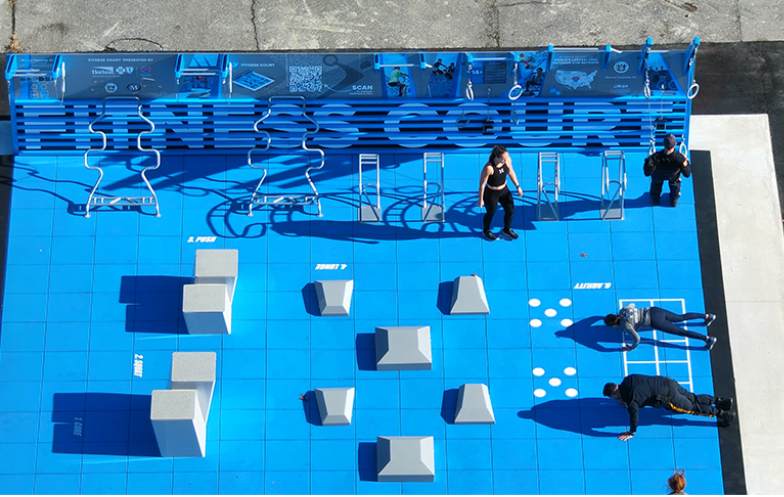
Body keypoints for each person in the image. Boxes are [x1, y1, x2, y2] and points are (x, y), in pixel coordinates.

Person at [603, 374, 735, 441]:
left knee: (692, 408)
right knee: (692, 397)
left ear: (615, 394)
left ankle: (721, 413)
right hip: (668, 382)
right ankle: (721, 401)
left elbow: (634, 417)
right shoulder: (629, 379)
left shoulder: (631, 400)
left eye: (613, 398)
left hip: (669, 397)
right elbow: (641, 389)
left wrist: (631, 432)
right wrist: (625, 399)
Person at [604, 303, 717, 351]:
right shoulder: (623, 310)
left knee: (681, 332)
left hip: (654, 321)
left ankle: (708, 339)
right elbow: (632, 305)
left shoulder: (626, 326)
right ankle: (707, 316)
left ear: (614, 324)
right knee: (680, 317)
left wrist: (631, 347)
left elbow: (637, 339)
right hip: (654, 310)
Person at [478, 145, 523, 241]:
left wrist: (518, 186)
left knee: (510, 211)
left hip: (504, 191)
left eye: (506, 158)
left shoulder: (507, 160)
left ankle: (506, 229)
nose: (505, 160)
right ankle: (486, 230)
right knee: (491, 212)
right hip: (491, 193)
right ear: (496, 157)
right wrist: (480, 199)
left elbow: (511, 172)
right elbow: (482, 184)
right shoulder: (489, 168)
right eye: (503, 159)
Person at [644, 133, 691, 207]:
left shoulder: (655, 157)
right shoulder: (680, 158)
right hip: (673, 176)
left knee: (656, 184)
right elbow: (687, 174)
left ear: (663, 144)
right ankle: (674, 199)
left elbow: (647, 172)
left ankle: (655, 199)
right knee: (675, 185)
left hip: (658, 176)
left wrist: (649, 162)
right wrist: (686, 163)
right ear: (675, 144)